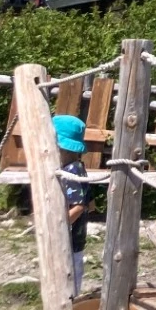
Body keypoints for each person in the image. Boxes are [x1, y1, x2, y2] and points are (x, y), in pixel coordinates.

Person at [54, 114, 93, 297]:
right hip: (76, 237)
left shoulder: (71, 171)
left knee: (69, 281)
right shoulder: (79, 167)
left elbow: (79, 206)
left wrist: (57, 227)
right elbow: (91, 203)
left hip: (69, 239)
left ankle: (71, 303)